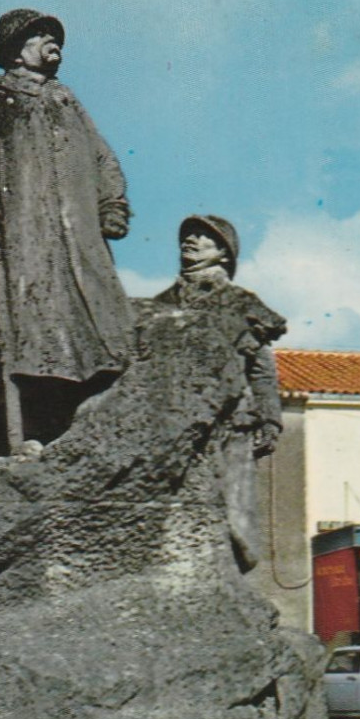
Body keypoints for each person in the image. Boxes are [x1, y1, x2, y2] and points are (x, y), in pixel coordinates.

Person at [0, 8, 133, 453]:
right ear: (14, 51)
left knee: (94, 322)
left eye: (52, 35)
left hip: (78, 239)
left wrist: (111, 205)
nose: (51, 42)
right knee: (32, 329)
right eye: (39, 35)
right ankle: (33, 430)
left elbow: (104, 160)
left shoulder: (67, 101)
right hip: (23, 236)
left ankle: (92, 415)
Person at [150, 214, 286, 569]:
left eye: (203, 237)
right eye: (188, 236)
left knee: (232, 511)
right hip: (174, 423)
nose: (190, 241)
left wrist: (270, 420)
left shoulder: (241, 303)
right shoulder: (160, 304)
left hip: (230, 421)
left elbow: (261, 370)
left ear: (225, 254)